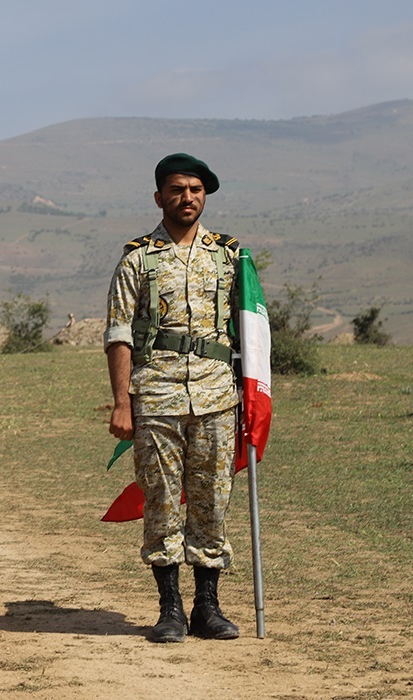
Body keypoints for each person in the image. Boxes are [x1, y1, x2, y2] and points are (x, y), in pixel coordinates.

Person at [104, 153, 242, 643]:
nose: (188, 198)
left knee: (211, 503)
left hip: (217, 398)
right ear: (159, 197)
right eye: (178, 189)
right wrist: (123, 402)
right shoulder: (138, 259)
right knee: (161, 501)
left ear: (205, 196)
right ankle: (170, 610)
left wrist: (252, 394)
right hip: (157, 396)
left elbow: (247, 329)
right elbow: (119, 333)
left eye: (196, 189)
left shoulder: (229, 256)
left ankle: (208, 606)